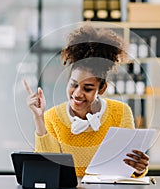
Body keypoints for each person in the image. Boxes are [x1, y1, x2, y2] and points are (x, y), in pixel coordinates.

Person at [24, 23, 149, 177]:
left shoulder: (121, 113)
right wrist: (38, 118)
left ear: (101, 89)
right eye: (74, 84)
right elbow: (48, 170)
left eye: (88, 88)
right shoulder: (52, 118)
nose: (77, 94)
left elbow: (127, 170)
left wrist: (139, 169)